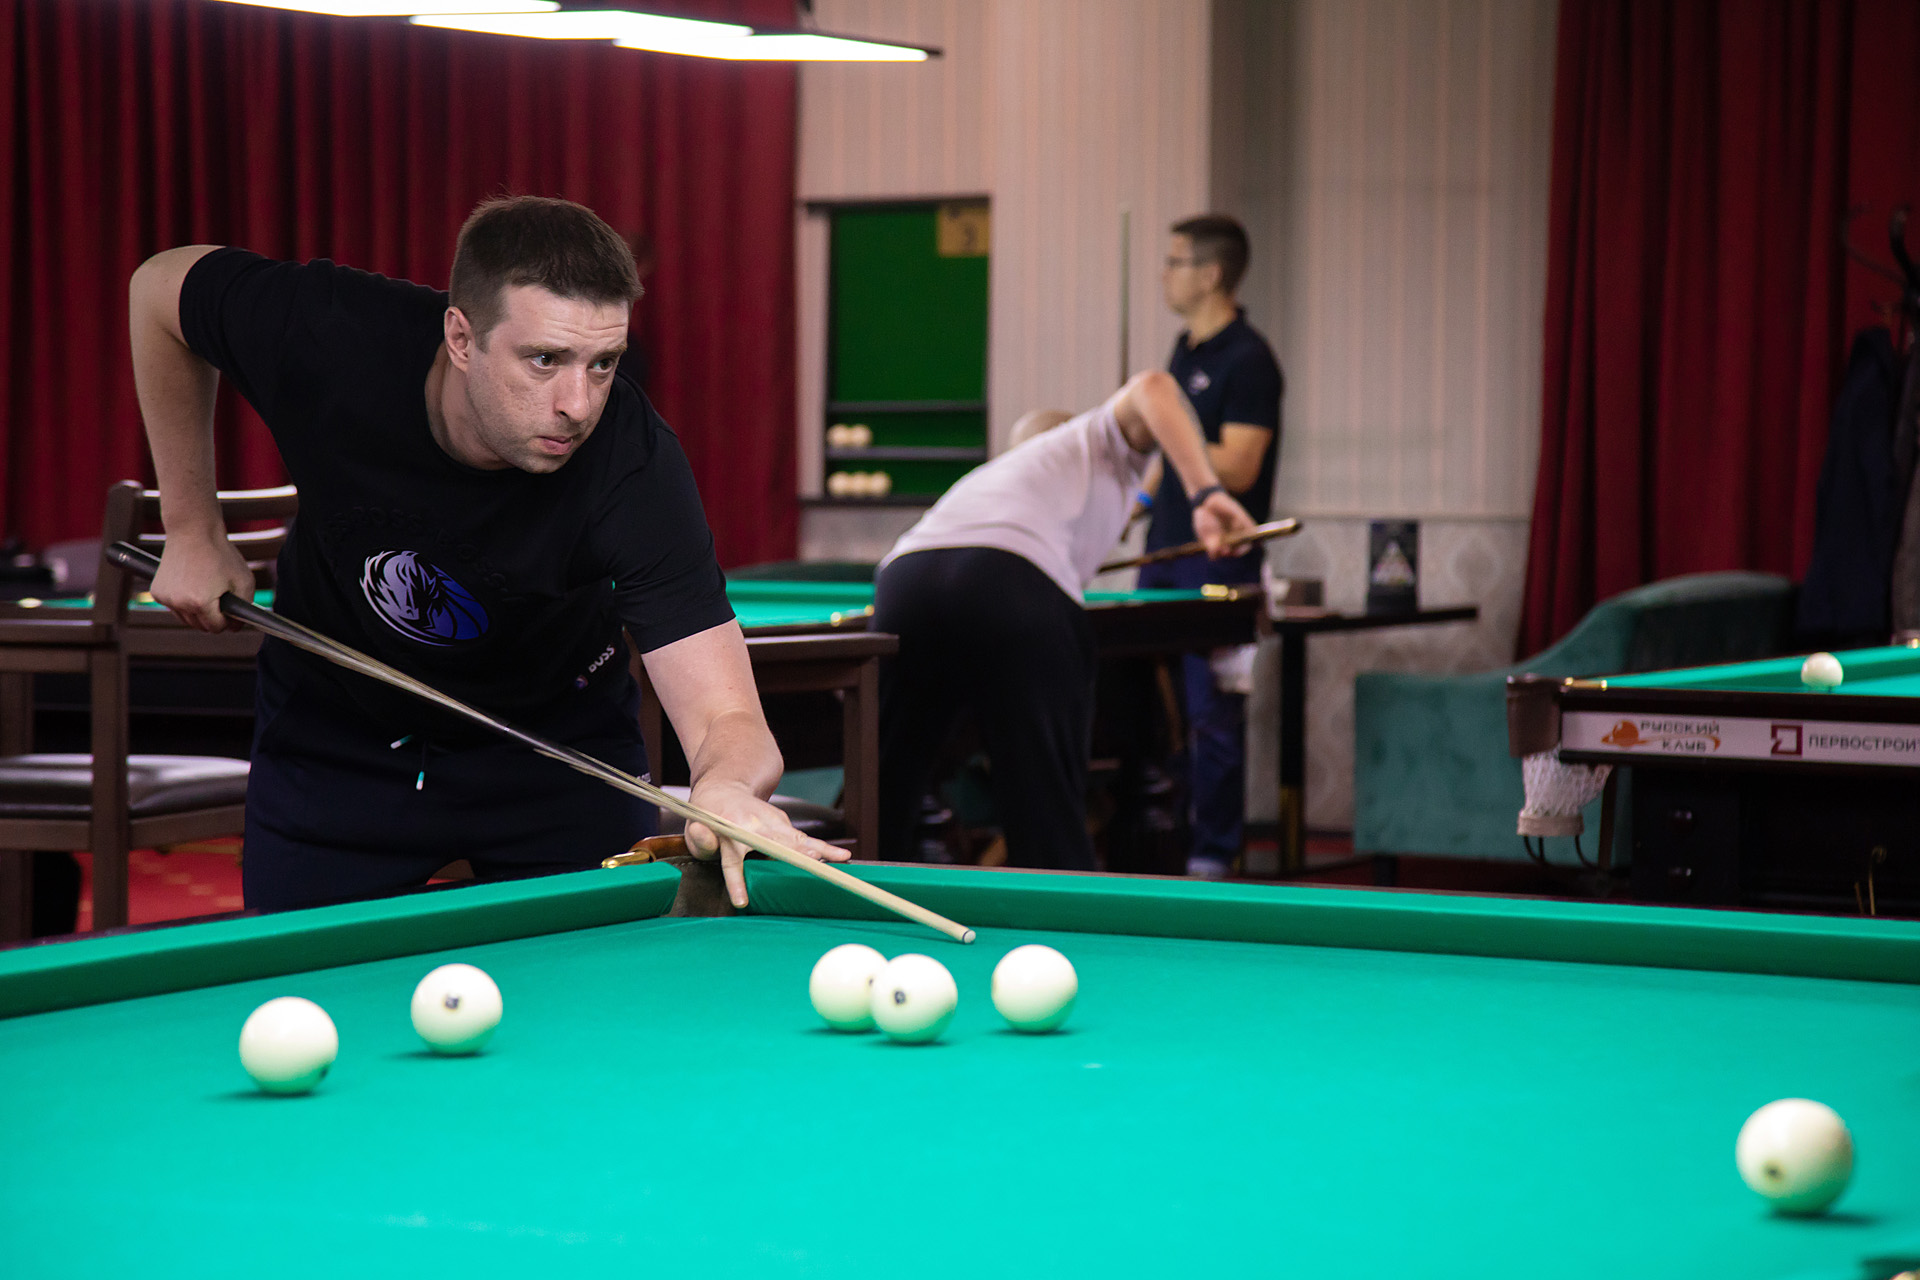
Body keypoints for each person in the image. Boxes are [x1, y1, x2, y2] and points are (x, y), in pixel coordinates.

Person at [129, 196, 843, 912]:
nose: (578, 404)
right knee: (303, 982)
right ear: (462, 338)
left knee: (597, 980)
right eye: (544, 360)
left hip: (558, 757)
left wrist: (724, 784)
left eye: (603, 364)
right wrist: (191, 527)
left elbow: (726, 719)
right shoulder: (332, 335)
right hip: (338, 738)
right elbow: (160, 288)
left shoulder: (633, 463)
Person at [873, 370, 1258, 871]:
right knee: (1045, 811)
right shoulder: (1091, 441)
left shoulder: (1000, 478)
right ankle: (1060, 907)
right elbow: (1154, 386)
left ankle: (847, 898)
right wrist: (1205, 494)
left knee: (885, 789)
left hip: (905, 580)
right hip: (1010, 583)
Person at [1137, 213, 1283, 879]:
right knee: (1152, 709)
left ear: (1211, 274)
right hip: (1160, 554)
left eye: (1174, 262)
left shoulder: (1250, 359)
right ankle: (1159, 846)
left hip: (1219, 561)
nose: (1163, 275)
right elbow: (1164, 459)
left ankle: (1212, 856)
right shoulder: (1182, 350)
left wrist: (1177, 439)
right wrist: (1137, 504)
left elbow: (1242, 466)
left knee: (1211, 714)